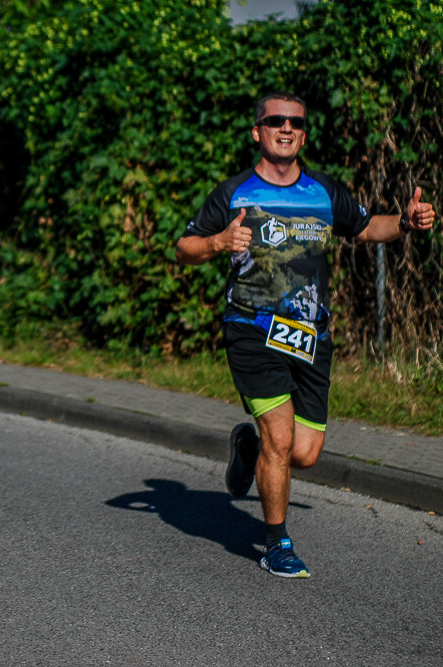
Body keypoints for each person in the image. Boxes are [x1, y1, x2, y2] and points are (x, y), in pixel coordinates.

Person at [175, 93, 435, 578]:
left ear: (303, 132)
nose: (287, 128)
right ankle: (276, 544)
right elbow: (184, 247)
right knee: (279, 435)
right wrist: (216, 242)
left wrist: (404, 222)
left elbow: (364, 228)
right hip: (251, 327)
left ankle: (247, 448)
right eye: (276, 121)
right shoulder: (234, 192)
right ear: (258, 131)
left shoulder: (322, 191)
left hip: (309, 335)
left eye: (296, 122)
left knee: (303, 453)